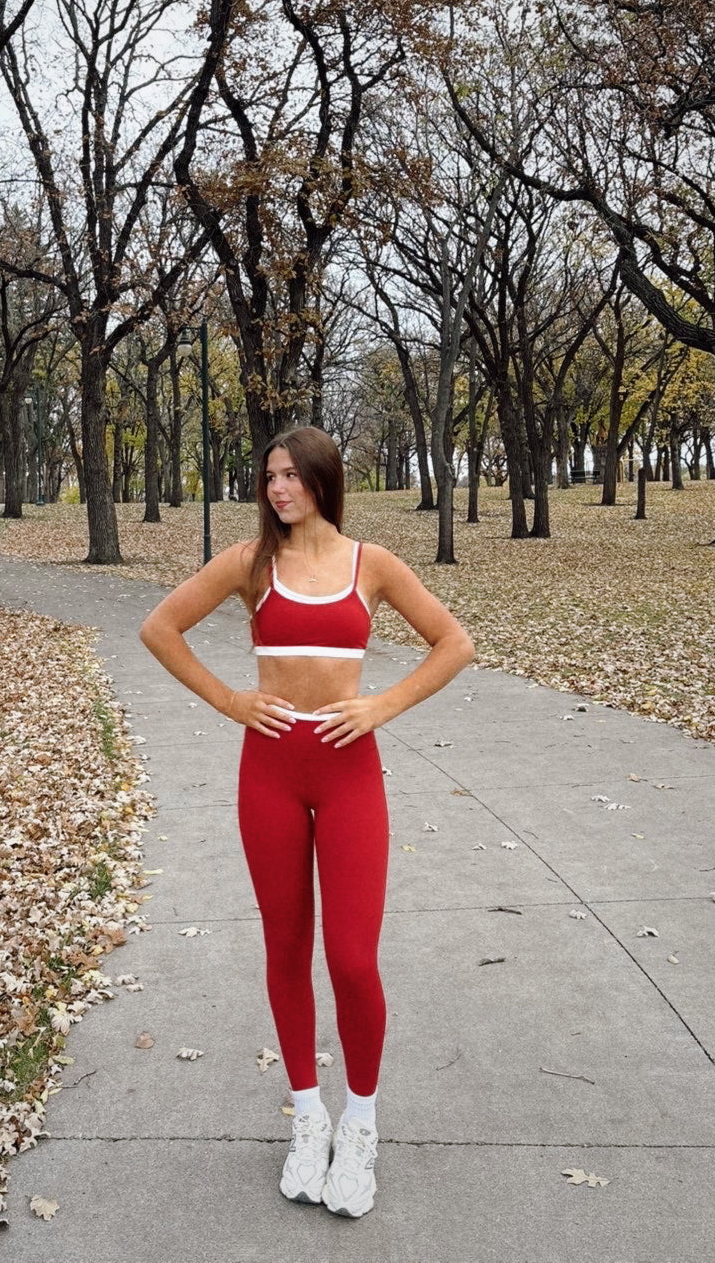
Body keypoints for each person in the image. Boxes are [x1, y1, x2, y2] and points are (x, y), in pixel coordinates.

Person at [139, 425, 476, 1218]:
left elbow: (454, 643)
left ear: (324, 480)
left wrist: (381, 705)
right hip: (271, 775)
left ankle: (360, 1122)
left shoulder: (373, 565)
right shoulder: (251, 566)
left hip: (350, 774)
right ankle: (308, 1115)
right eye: (270, 477)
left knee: (353, 959)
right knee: (286, 946)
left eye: (292, 476)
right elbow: (159, 628)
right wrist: (230, 700)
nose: (277, 489)